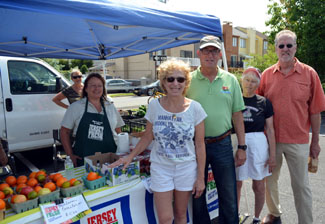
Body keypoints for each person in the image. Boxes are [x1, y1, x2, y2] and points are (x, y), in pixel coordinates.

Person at [109, 59, 207, 224]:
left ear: (186, 82)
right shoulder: (154, 106)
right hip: (161, 168)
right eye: (170, 79)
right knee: (165, 218)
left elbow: (200, 144)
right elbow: (148, 136)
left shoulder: (196, 108)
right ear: (163, 82)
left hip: (186, 167)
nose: (175, 83)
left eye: (180, 79)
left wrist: (200, 178)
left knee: (181, 215)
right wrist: (130, 156)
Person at [258, 30, 325, 224]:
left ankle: (306, 221)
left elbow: (315, 111)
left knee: (301, 187)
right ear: (276, 49)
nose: (285, 49)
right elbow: (258, 107)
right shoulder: (267, 75)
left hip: (298, 140)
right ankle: (275, 213)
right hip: (271, 141)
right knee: (269, 182)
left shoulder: (309, 74)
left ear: (295, 47)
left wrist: (315, 143)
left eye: (289, 45)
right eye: (281, 46)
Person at [187, 35, 246, 224]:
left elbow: (237, 115)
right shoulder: (187, 81)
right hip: (195, 146)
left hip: (222, 143)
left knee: (228, 195)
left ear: (220, 54)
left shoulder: (230, 80)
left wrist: (242, 147)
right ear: (199, 54)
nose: (210, 55)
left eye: (214, 51)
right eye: (206, 51)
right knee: (198, 194)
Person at [236, 67, 276, 224]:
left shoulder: (264, 102)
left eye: (253, 81)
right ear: (242, 80)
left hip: (258, 143)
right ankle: (235, 214)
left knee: (258, 184)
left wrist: (272, 155)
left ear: (258, 84)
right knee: (237, 183)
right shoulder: (235, 99)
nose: (249, 84)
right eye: (247, 80)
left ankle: (257, 217)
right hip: (238, 142)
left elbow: (271, 130)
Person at [60, 73, 124, 167]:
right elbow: (64, 131)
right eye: (93, 85)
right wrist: (70, 155)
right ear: (86, 88)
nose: (96, 88)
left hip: (111, 159)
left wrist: (122, 151)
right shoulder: (76, 107)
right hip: (85, 161)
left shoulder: (110, 106)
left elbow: (118, 130)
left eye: (99, 86)